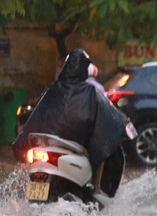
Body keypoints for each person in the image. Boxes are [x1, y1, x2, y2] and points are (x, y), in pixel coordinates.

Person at [13, 48, 134, 199]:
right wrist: (122, 124)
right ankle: (96, 189)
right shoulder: (90, 91)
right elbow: (107, 116)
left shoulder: (53, 89)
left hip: (53, 144)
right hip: (73, 144)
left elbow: (37, 115)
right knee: (101, 147)